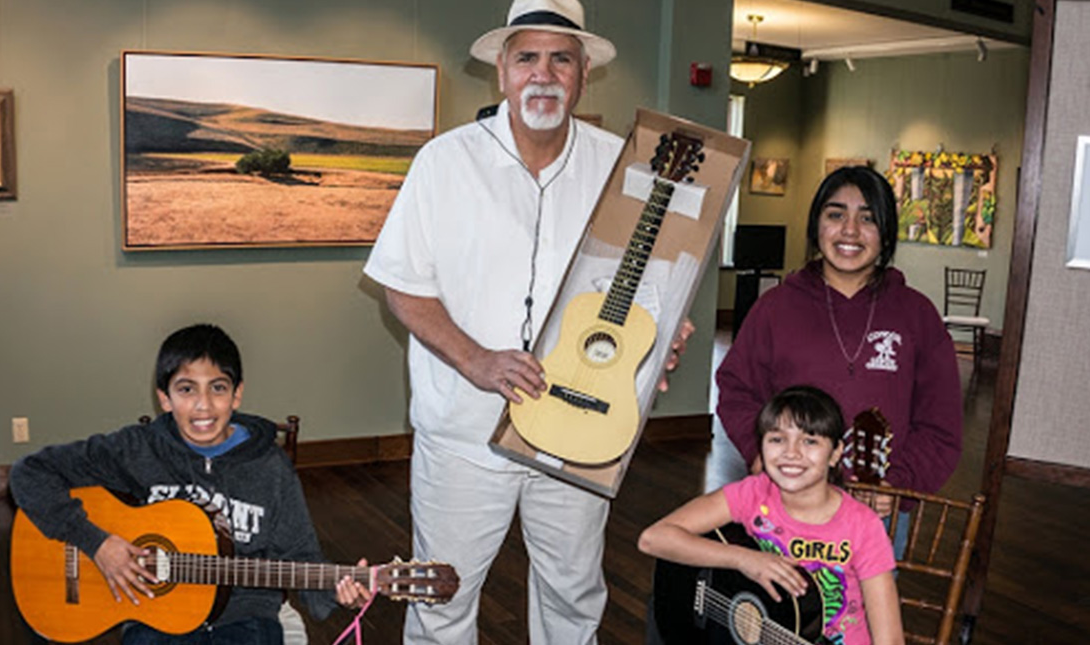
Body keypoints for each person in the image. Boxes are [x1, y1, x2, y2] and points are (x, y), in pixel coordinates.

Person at [364, 1, 690, 642]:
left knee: (573, 598)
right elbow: (403, 288)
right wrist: (477, 360)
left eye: (561, 58)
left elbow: (651, 288)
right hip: (463, 435)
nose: (544, 73)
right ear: (501, 73)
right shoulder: (444, 163)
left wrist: (661, 337)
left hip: (580, 434)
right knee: (440, 598)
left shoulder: (624, 170)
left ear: (584, 73)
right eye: (527, 58)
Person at [9, 324, 369, 644]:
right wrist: (96, 543)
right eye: (186, 389)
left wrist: (338, 592)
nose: (203, 405)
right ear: (164, 398)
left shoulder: (270, 467)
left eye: (218, 388)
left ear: (237, 394)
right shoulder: (139, 448)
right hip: (152, 614)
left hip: (246, 617)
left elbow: (300, 554)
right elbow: (29, 472)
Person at [711, 166, 962, 526]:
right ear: (817, 225)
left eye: (868, 218)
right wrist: (759, 452)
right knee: (776, 583)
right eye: (835, 215)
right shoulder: (775, 307)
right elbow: (737, 390)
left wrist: (899, 482)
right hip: (787, 500)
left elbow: (941, 423)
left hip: (877, 514)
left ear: (886, 232)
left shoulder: (917, 314)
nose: (850, 230)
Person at [640, 385, 904, 645]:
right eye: (777, 439)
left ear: (835, 453)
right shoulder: (754, 494)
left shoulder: (862, 526)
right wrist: (745, 560)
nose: (791, 453)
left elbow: (890, 638)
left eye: (810, 441)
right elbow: (654, 539)